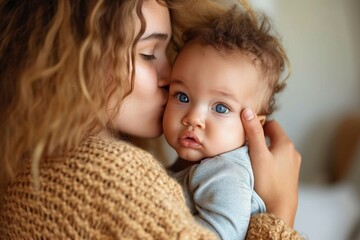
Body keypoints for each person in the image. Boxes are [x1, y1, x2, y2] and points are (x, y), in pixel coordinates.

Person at [0, 0, 302, 239]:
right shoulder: (107, 174)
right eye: (148, 53)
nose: (170, 77)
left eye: (165, 51)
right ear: (76, 58)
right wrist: (279, 211)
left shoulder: (30, 165)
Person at [163, 6, 289, 240]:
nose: (193, 118)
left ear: (253, 127)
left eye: (221, 108)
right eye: (182, 96)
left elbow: (222, 235)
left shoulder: (224, 172)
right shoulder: (198, 164)